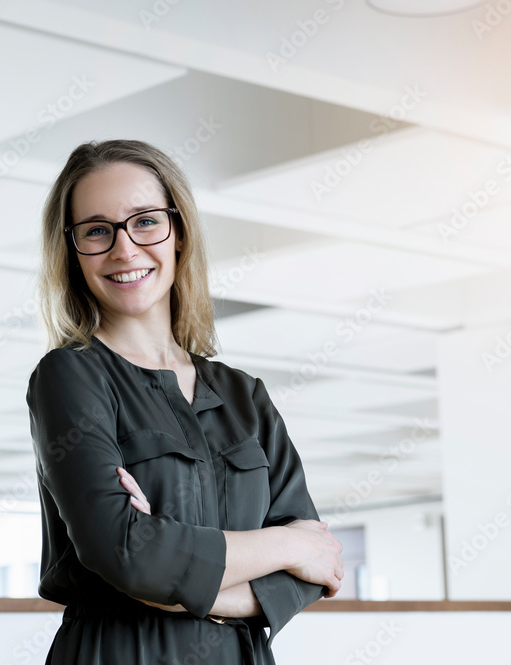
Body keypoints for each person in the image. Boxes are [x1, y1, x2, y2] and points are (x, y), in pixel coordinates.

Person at [26, 139, 344, 665]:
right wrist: (290, 546)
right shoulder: (69, 376)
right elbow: (127, 553)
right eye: (97, 230)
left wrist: (178, 584)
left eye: (146, 221)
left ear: (179, 232)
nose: (125, 249)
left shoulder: (244, 395)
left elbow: (317, 570)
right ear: (71, 250)